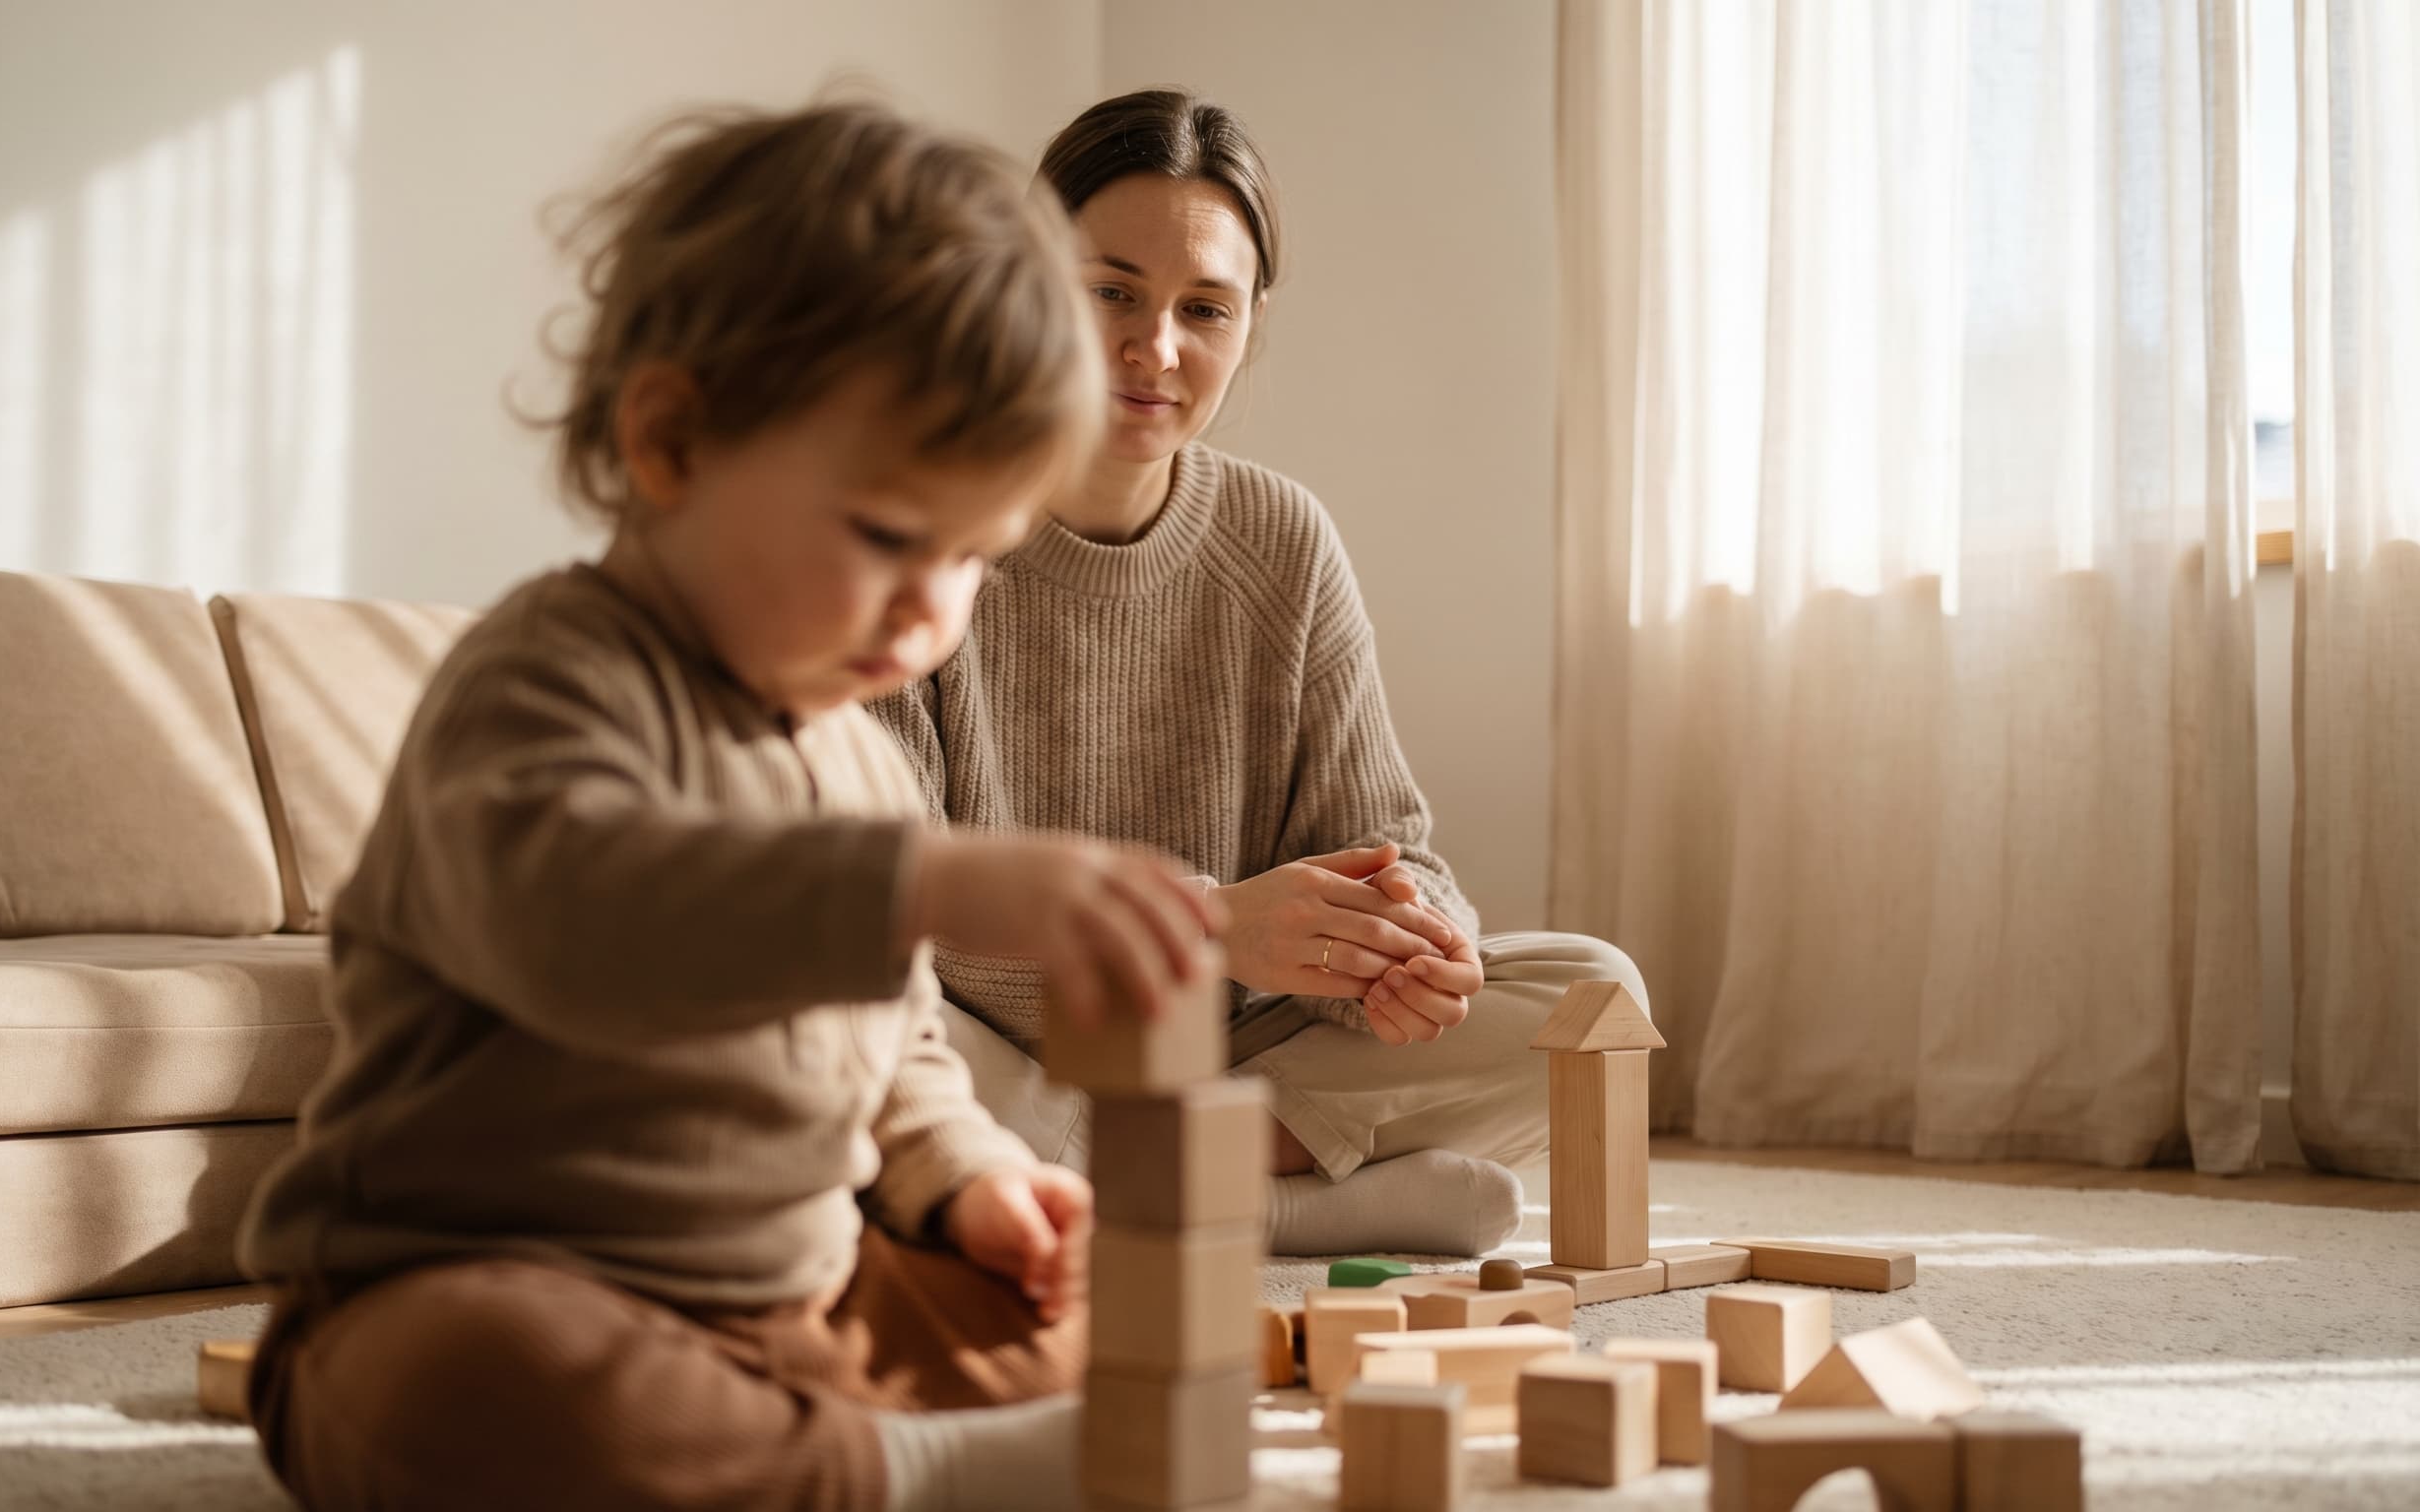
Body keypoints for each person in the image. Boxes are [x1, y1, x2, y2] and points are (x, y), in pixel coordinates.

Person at [234, 101, 1220, 1512]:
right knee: (474, 1393)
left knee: (1124, 1324)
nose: (932, 609)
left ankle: (852, 1459)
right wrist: (926, 886)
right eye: (889, 535)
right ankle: (898, 1478)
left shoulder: (860, 755)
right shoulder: (548, 679)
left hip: (793, 1307)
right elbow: (586, 919)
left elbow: (901, 1057)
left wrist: (970, 1186)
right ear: (673, 441)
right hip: (472, 1286)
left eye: (978, 559)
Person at [873, 90, 1651, 1259]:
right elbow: (896, 894)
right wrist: (1203, 928)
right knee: (839, 1013)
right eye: (1111, 294)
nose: (1158, 350)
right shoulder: (915, 525)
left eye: (1204, 310)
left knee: (1591, 996)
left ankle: (1142, 1176)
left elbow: (1390, 842)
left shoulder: (1280, 540)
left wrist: (1404, 946)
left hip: (1227, 1056)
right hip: (986, 1047)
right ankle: (1286, 1204)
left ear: (1250, 324)